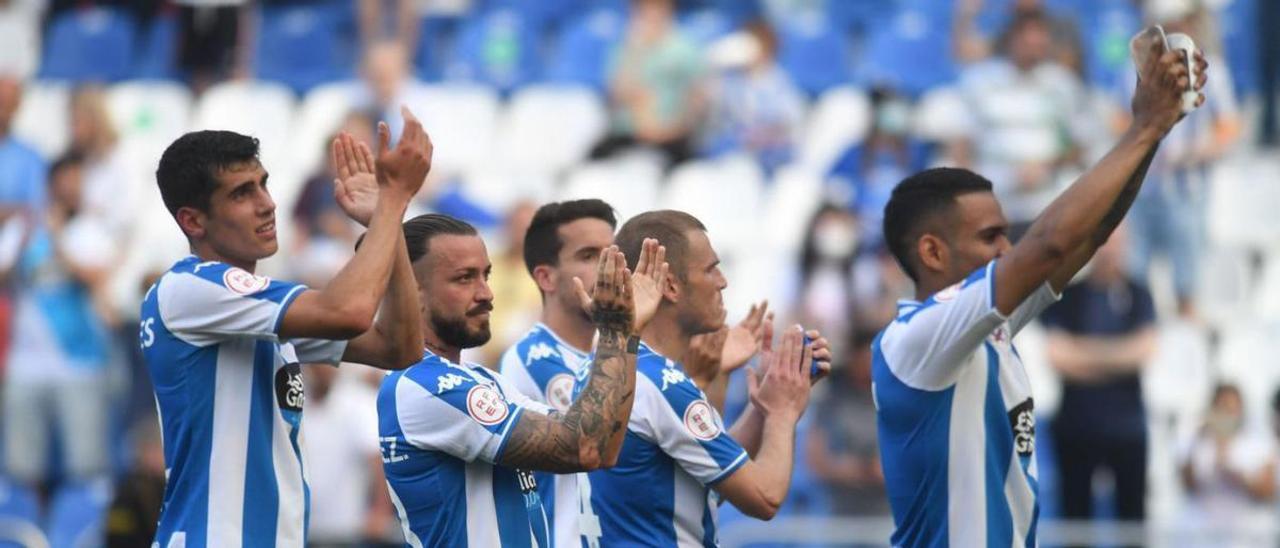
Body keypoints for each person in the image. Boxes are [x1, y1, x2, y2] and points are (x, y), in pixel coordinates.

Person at [872, 37, 1205, 546]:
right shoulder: (917, 337)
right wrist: (1145, 127)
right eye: (990, 237)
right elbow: (1050, 245)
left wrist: (1157, 128)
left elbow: (1091, 235)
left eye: (1007, 232)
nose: (1008, 248)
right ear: (933, 253)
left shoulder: (986, 326)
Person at [139, 108, 430, 547]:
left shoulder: (257, 310)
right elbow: (350, 310)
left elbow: (399, 347)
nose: (267, 203)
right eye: (241, 193)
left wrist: (385, 221)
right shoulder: (189, 288)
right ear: (193, 221)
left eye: (264, 184)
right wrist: (391, 203)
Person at [377, 212, 669, 547]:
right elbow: (584, 447)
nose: (486, 293)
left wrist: (627, 334)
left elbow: (599, 446)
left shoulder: (483, 379)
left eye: (486, 275)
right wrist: (617, 332)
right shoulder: (423, 386)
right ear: (411, 291)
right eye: (464, 279)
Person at [576, 210, 831, 547]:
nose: (723, 282)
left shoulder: (604, 365)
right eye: (711, 269)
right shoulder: (660, 383)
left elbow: (708, 481)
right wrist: (784, 412)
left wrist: (764, 407)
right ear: (670, 285)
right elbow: (765, 497)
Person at [497, 198, 618, 548]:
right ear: (546, 277)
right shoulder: (533, 359)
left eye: (612, 254)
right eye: (589, 255)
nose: (609, 268)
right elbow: (595, 446)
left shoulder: (607, 356)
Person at [2, 153, 114, 493]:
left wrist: (58, 240)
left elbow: (95, 277)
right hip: (27, 364)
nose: (72, 189)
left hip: (80, 361)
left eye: (78, 182)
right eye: (66, 181)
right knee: (23, 465)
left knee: (85, 464)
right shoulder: (24, 229)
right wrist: (23, 237)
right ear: (52, 185)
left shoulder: (91, 229)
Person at [1041, 226, 1156, 529]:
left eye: (1115, 243)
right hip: (1076, 424)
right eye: (1103, 243)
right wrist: (1118, 356)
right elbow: (1058, 356)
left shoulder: (1139, 293)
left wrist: (1083, 352)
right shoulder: (1068, 295)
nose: (1109, 252)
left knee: (1131, 522)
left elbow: (1144, 351)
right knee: (1075, 518)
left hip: (1127, 427)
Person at [955, 8, 1089, 239]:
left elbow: (1081, 146)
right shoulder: (980, 82)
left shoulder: (1063, 85)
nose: (1035, 43)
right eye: (1028, 36)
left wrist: (1046, 166)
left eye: (1040, 36)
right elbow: (961, 145)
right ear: (1012, 39)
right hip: (997, 209)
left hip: (1047, 209)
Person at [591, 0, 706, 169]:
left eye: (657, 10)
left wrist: (677, 126)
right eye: (644, 11)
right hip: (628, 132)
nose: (651, 17)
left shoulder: (684, 49)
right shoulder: (625, 47)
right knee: (594, 165)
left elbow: (698, 94)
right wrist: (637, 54)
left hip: (670, 134)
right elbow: (615, 92)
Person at [302, 364, 395, 547]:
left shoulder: (357, 401)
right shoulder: (297, 402)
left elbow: (378, 459)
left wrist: (380, 511)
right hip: (305, 529)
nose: (321, 368)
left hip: (348, 531)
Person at [1179, 384, 1277, 546]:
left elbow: (1267, 491)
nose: (1226, 414)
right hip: (1202, 537)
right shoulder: (1197, 443)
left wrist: (1238, 476)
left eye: (1231, 408)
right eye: (1222, 407)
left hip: (1245, 537)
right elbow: (1187, 484)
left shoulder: (1258, 445)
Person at [807, 329, 889, 517]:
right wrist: (860, 469)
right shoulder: (831, 402)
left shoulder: (894, 401)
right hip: (839, 510)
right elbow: (816, 460)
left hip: (885, 511)